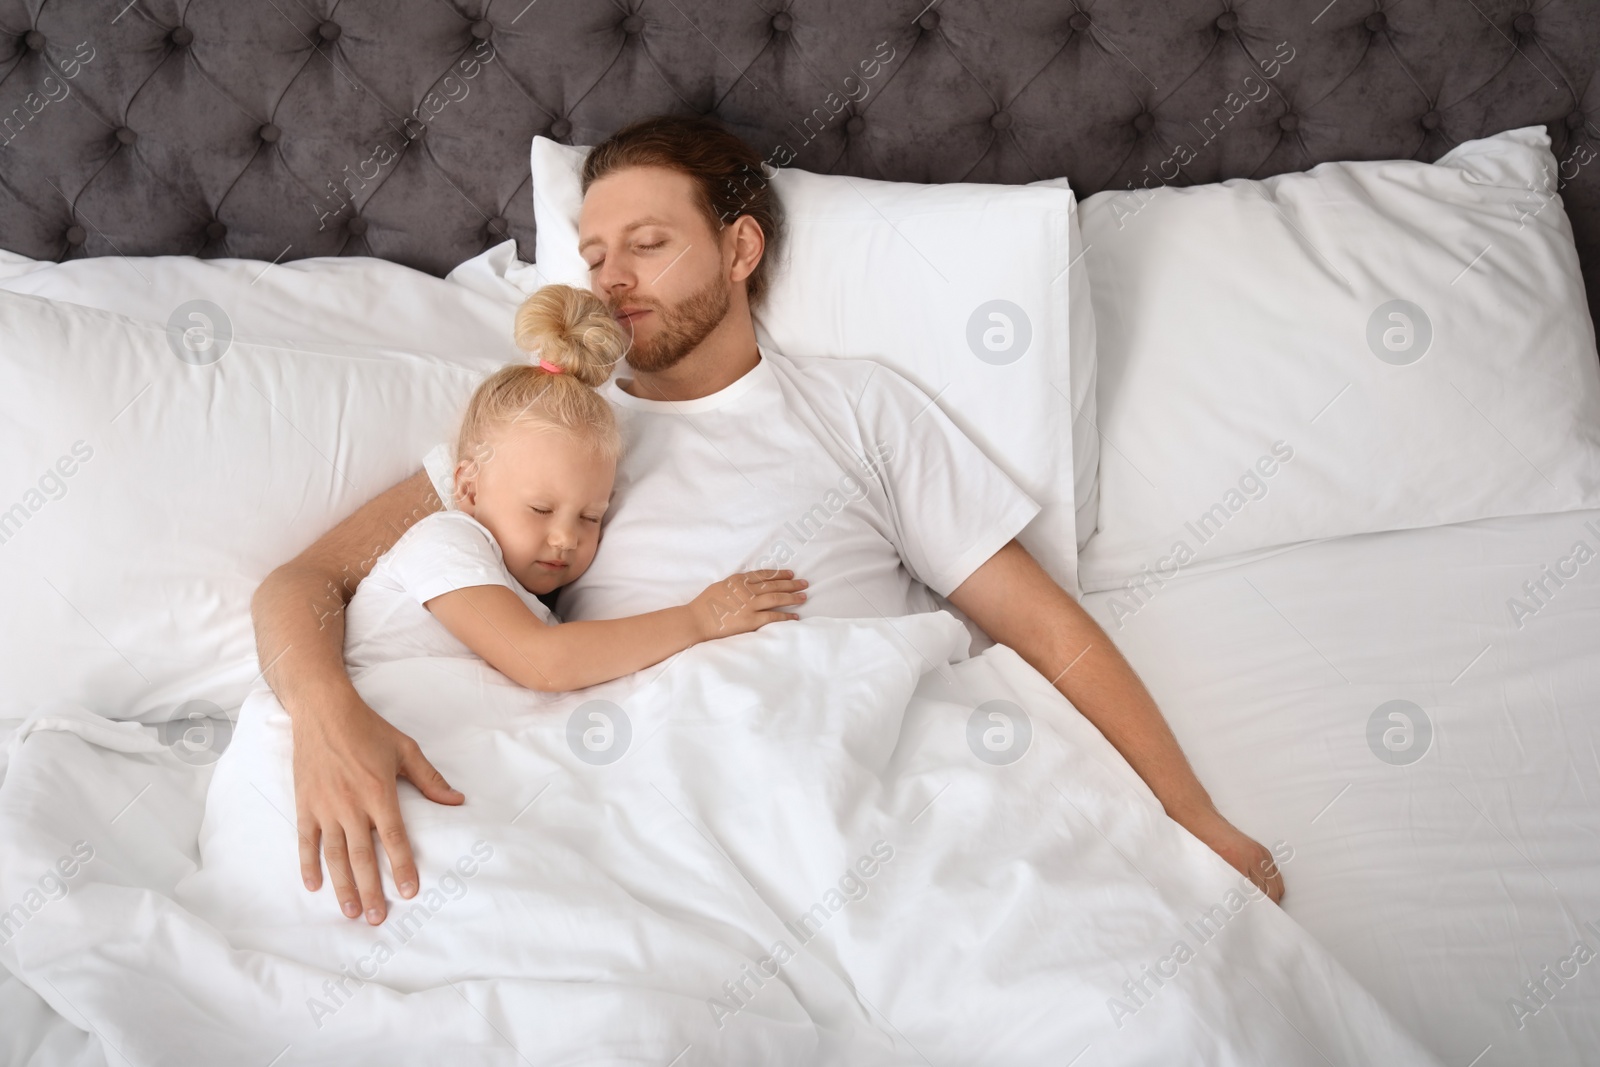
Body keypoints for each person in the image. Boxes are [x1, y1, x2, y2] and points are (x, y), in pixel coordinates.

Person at [251, 114, 1286, 927]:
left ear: (739, 246)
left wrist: (1190, 815)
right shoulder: (548, 430)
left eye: (647, 244)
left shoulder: (857, 410)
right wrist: (323, 711)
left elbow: (1044, 625)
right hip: (649, 796)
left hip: (849, 772)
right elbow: (305, 582)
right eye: (593, 252)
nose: (609, 278)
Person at [340, 282, 807, 692]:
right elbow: (543, 662)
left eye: (590, 517)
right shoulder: (443, 541)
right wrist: (700, 619)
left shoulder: (534, 608)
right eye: (541, 509)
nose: (567, 538)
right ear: (469, 486)